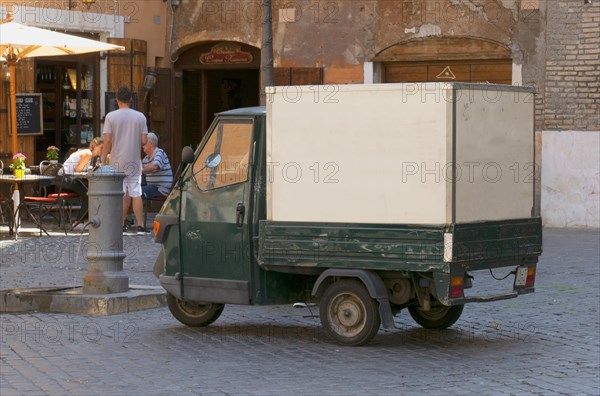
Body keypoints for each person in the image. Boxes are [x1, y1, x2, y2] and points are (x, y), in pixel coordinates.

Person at [101, 86, 149, 235]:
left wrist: (103, 162)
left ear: (116, 100)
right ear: (130, 99)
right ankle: (140, 226)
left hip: (117, 161)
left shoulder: (111, 116)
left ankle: (120, 224)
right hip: (134, 160)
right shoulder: (140, 117)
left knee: (120, 193)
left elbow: (107, 141)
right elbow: (144, 140)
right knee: (136, 193)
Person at [60, 137, 104, 226]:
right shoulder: (87, 153)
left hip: (68, 178)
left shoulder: (91, 156)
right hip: (66, 179)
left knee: (92, 192)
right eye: (101, 148)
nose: (103, 150)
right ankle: (78, 222)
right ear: (94, 146)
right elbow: (77, 170)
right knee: (89, 196)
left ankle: (86, 220)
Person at [142, 132, 173, 199]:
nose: (142, 146)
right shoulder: (145, 159)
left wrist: (140, 170)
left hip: (161, 188)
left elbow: (154, 166)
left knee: (137, 192)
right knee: (131, 189)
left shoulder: (159, 152)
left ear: (150, 144)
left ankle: (140, 209)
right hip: (151, 186)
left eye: (144, 144)